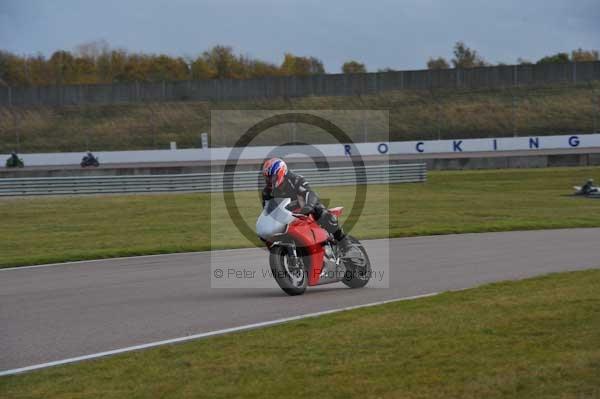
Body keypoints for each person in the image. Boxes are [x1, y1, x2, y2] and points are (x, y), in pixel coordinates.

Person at [261, 157, 348, 249]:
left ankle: (345, 244)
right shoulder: (267, 192)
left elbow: (310, 193)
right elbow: (268, 211)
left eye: (272, 177)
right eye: (267, 178)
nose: (270, 181)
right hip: (288, 215)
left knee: (321, 212)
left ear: (281, 172)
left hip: (305, 208)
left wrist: (309, 206)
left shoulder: (295, 179)